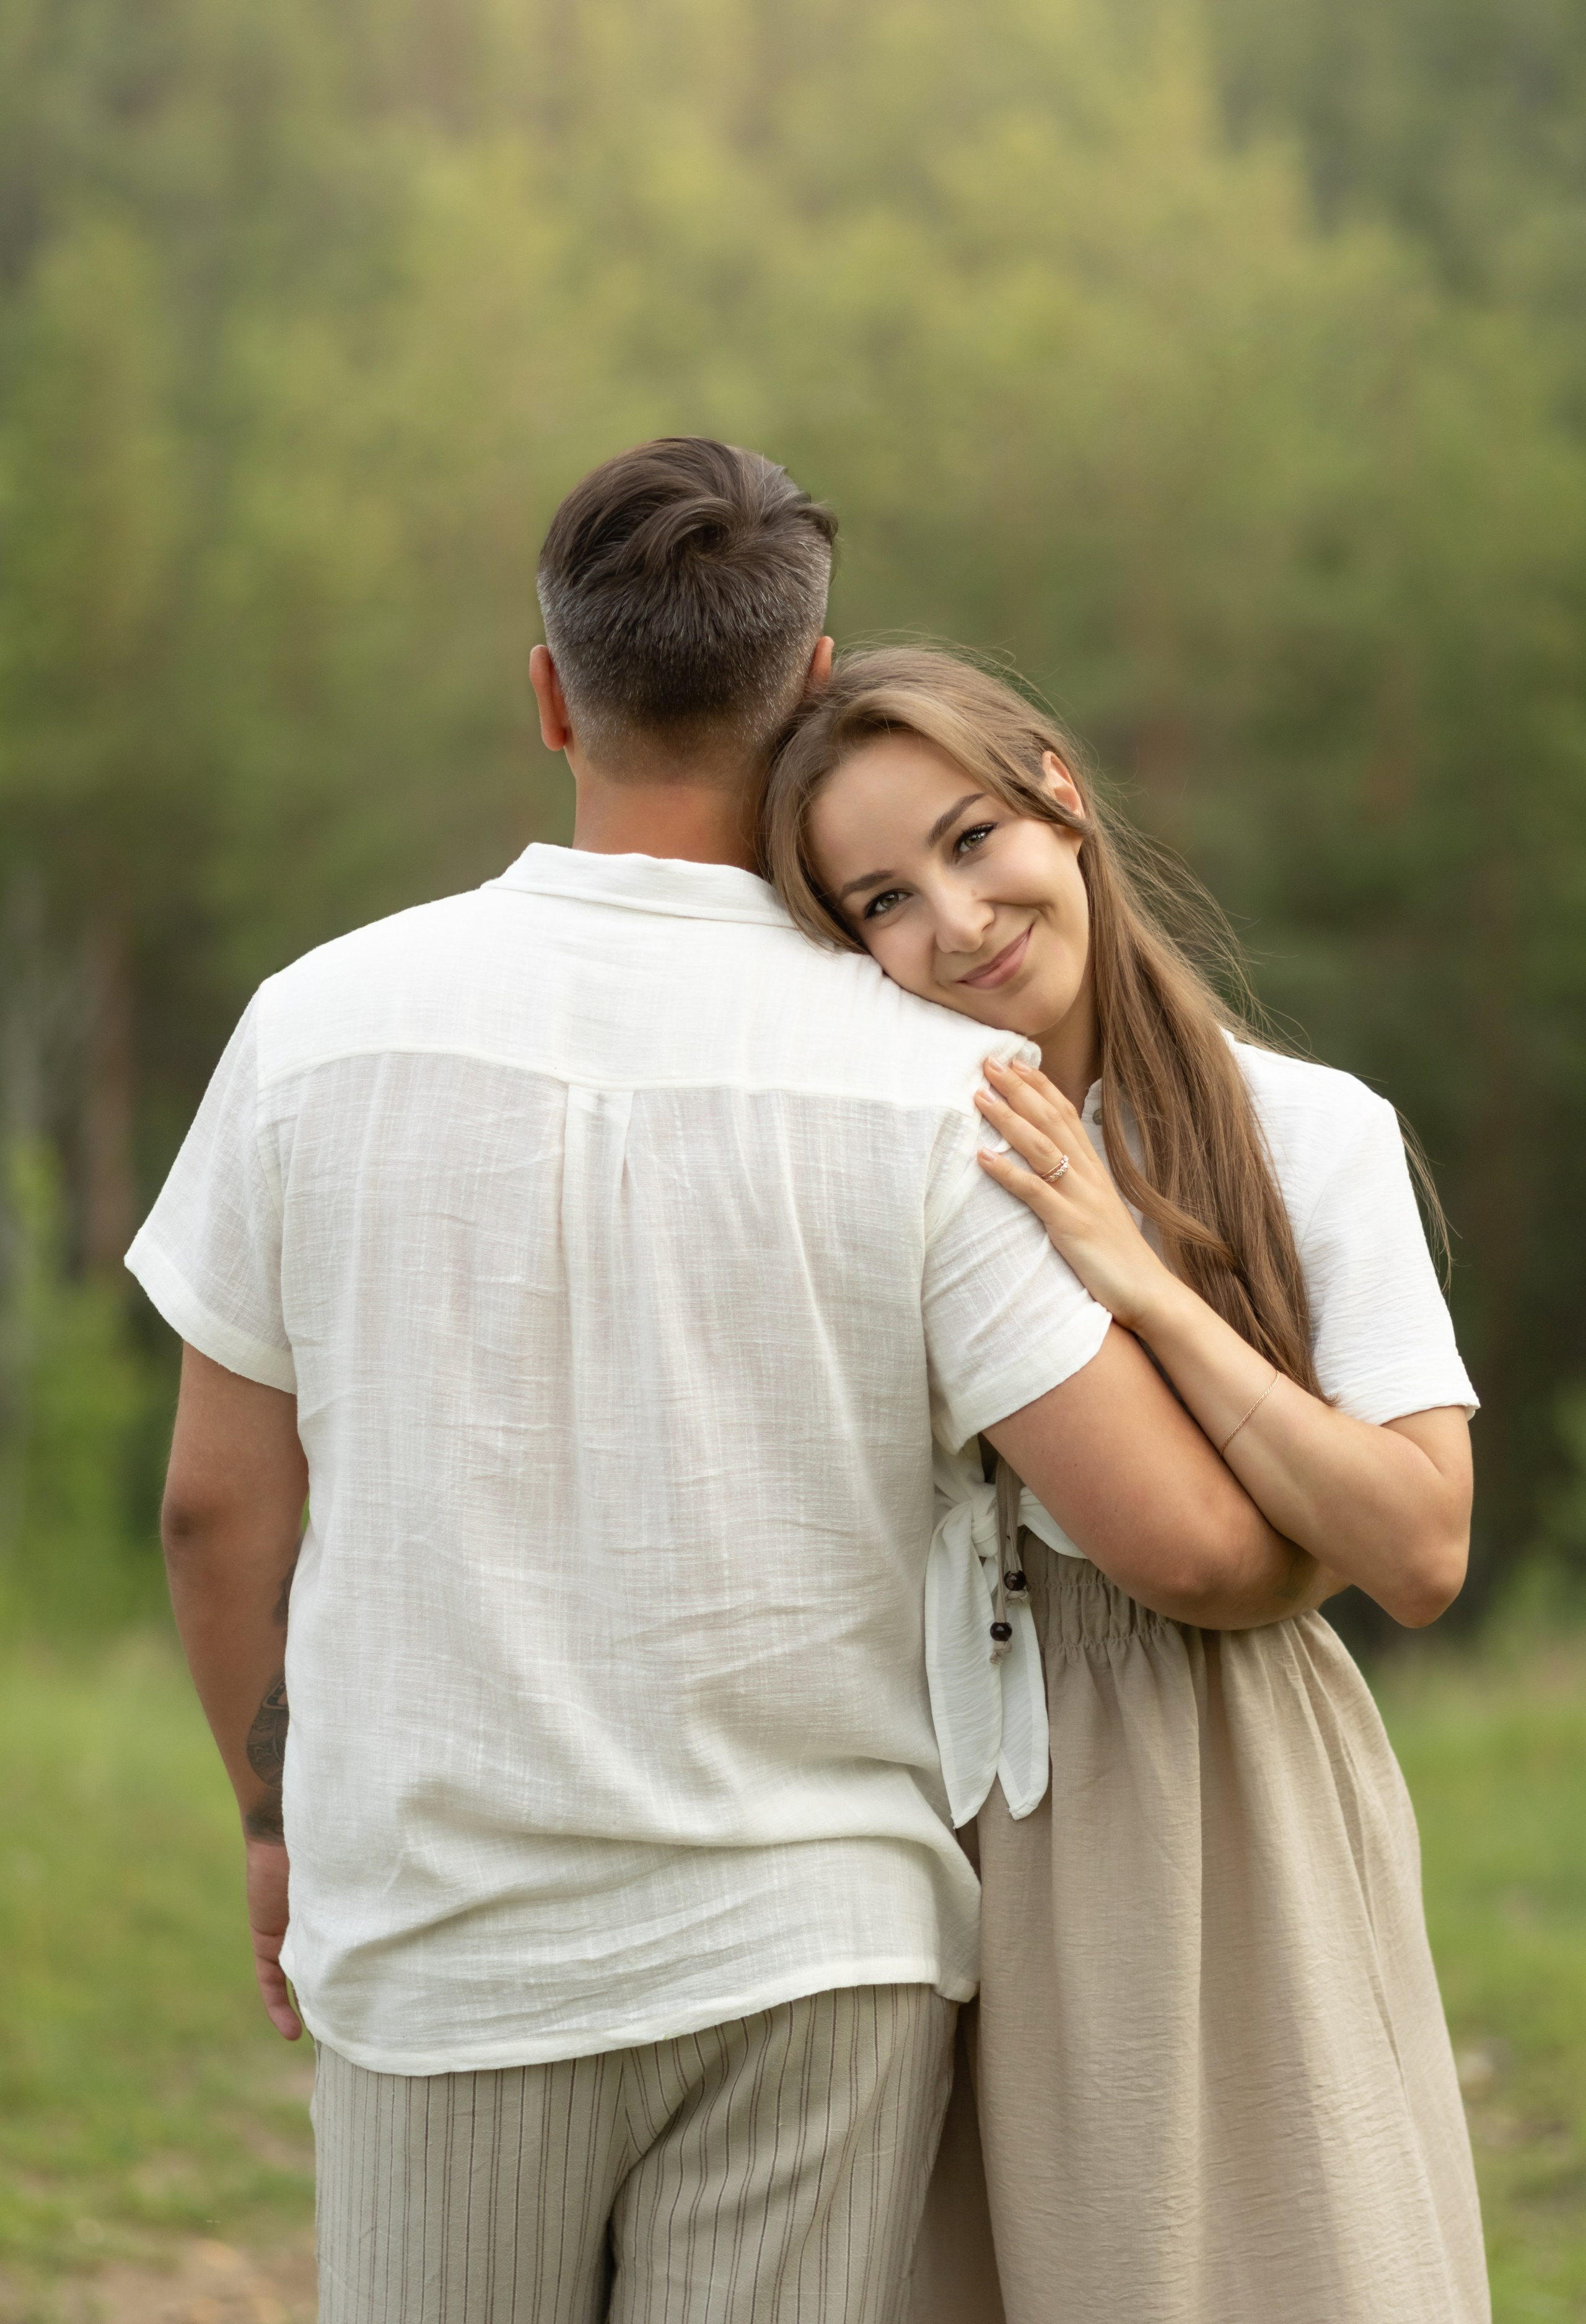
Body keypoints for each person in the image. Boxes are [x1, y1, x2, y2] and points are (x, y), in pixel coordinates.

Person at [127, 442, 1324, 2324]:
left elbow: (216, 1511)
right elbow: (1180, 1547)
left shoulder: (314, 1030)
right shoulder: (933, 1081)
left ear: (551, 694)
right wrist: (1349, 1531)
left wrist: (276, 1820)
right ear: (810, 684)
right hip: (816, 1954)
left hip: (450, 1949)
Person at [763, 645, 1488, 2324]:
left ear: (1061, 798)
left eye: (972, 839)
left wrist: (1143, 1283)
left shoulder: (1307, 1131)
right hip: (922, 1801)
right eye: (883, 901)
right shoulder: (879, 1163)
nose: (959, 921)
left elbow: (1422, 1546)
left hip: (1218, 1783)